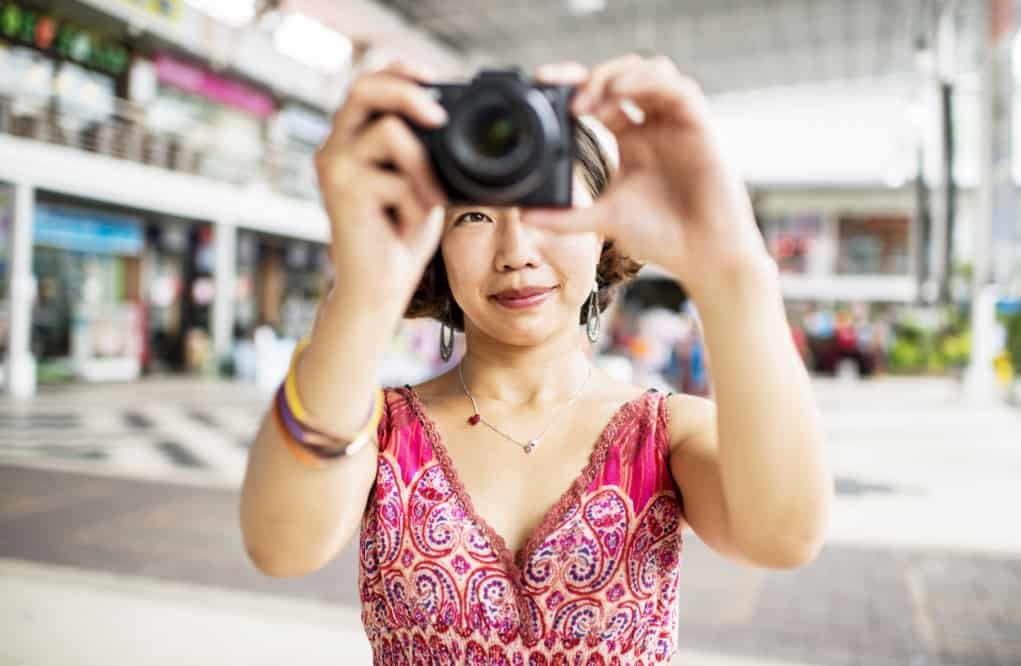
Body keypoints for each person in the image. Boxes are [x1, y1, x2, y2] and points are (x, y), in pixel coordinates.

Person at [240, 55, 833, 664]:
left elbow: (783, 535)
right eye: (473, 214)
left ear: (605, 225)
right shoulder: (379, 432)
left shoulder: (666, 435)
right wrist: (361, 292)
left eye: (548, 209)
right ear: (435, 242)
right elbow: (279, 547)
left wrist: (732, 266)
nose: (516, 250)